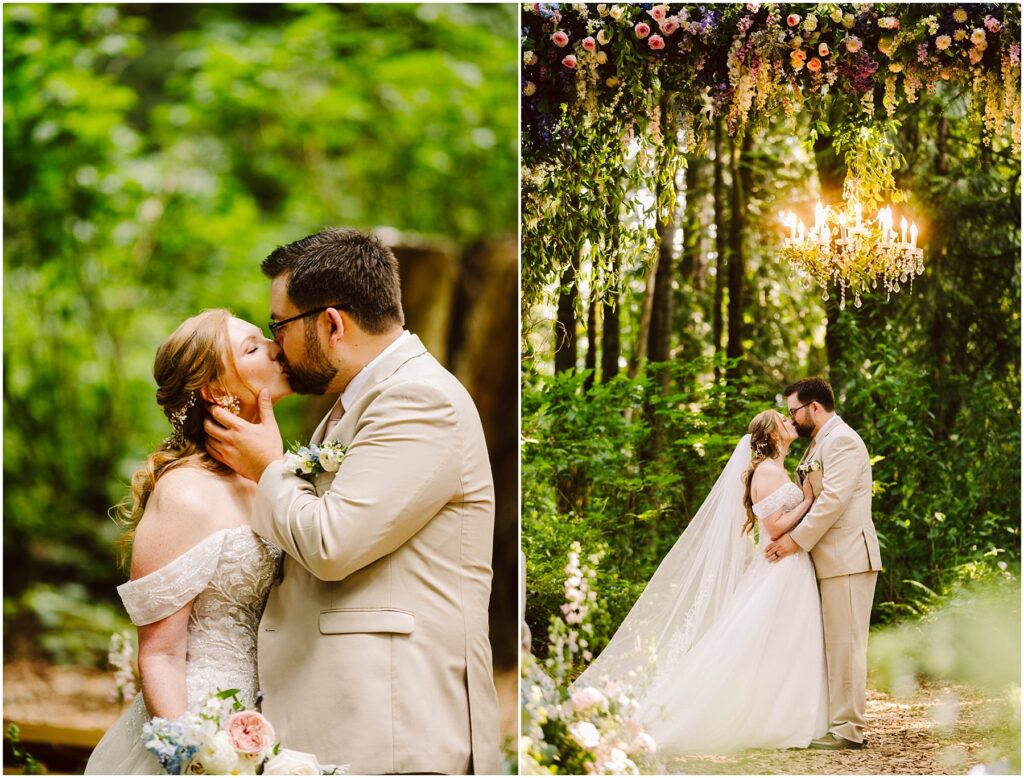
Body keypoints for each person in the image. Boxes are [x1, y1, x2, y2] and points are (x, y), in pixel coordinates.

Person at [205, 228, 500, 774]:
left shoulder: (419, 399)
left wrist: (267, 467)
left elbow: (332, 543)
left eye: (279, 326)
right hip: (353, 719)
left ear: (332, 323)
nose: (277, 345)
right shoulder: (362, 400)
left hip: (395, 730)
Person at [85, 310, 291, 774]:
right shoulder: (184, 492)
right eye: (254, 347)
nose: (277, 346)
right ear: (217, 391)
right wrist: (190, 755)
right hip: (199, 725)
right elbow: (159, 653)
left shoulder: (270, 479)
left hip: (268, 725)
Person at [570, 409, 829, 755]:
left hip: (789, 567)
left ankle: (786, 712)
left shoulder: (778, 469)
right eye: (782, 420)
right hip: (779, 566)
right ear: (772, 434)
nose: (789, 421)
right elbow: (774, 527)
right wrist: (809, 500)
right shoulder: (766, 472)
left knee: (786, 641)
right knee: (762, 642)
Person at [765, 377, 882, 749]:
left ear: (814, 407)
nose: (792, 418)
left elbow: (831, 501)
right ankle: (834, 721)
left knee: (846, 644)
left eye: (794, 410)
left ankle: (849, 729)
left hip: (847, 557)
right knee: (834, 644)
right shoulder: (818, 442)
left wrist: (793, 543)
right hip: (827, 559)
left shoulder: (843, 441)